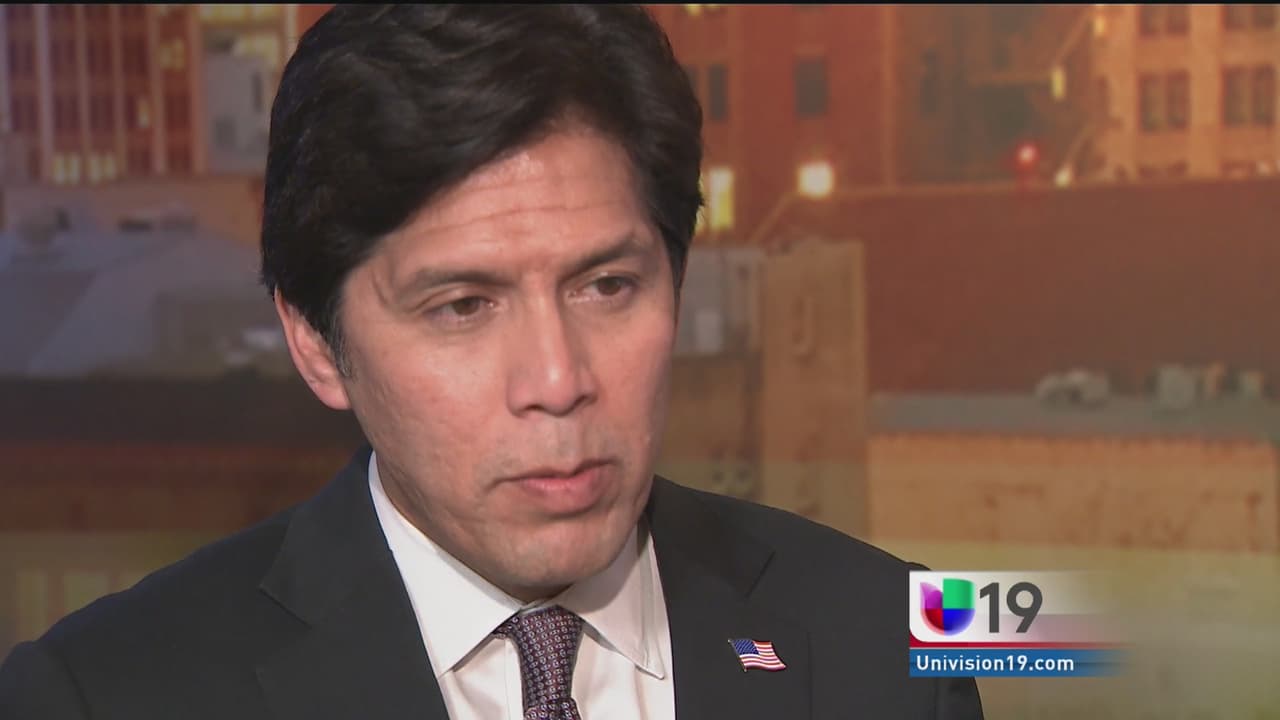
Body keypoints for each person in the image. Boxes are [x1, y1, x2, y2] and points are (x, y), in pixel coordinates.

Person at [0, 5, 983, 719]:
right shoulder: (101, 695)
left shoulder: (895, 640)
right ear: (315, 343)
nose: (557, 381)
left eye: (607, 286)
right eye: (462, 307)